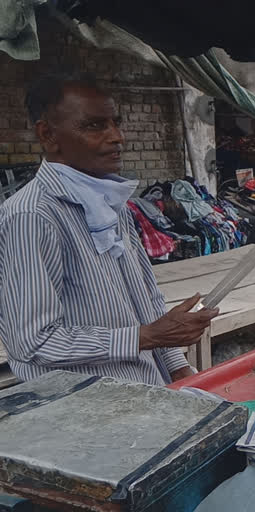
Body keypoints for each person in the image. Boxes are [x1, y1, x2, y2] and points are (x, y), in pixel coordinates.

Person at [0, 73, 218, 385]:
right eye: (94, 125)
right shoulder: (32, 216)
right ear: (48, 134)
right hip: (86, 409)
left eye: (116, 122)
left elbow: (147, 298)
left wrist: (177, 367)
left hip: (148, 390)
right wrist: (144, 337)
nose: (117, 137)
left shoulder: (112, 206)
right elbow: (35, 342)